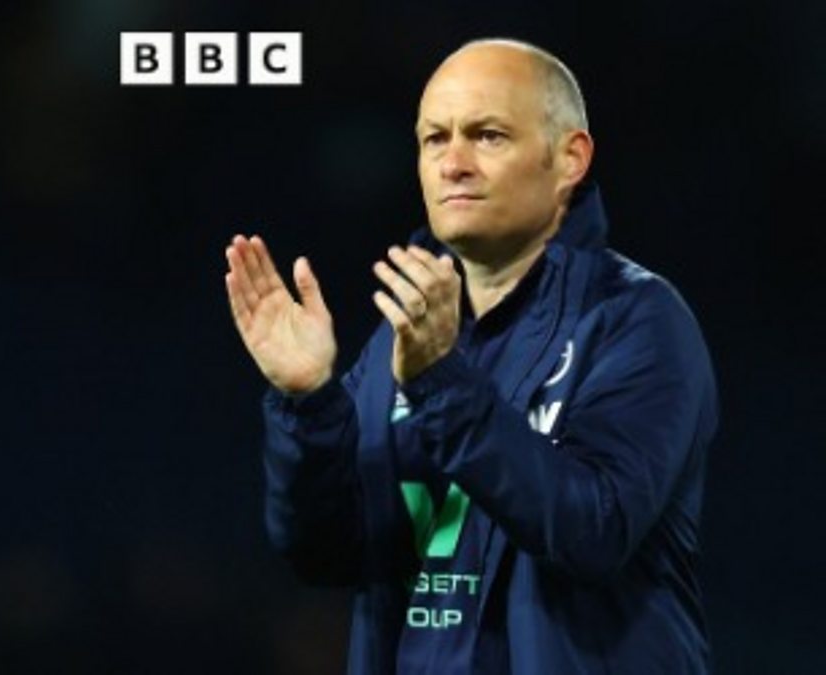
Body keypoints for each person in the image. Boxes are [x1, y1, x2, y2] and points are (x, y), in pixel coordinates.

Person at [223, 38, 717, 674]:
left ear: (569, 158)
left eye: (487, 136)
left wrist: (440, 382)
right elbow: (326, 555)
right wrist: (310, 403)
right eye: (435, 139)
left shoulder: (635, 320)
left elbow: (593, 532)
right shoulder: (400, 338)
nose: (453, 163)